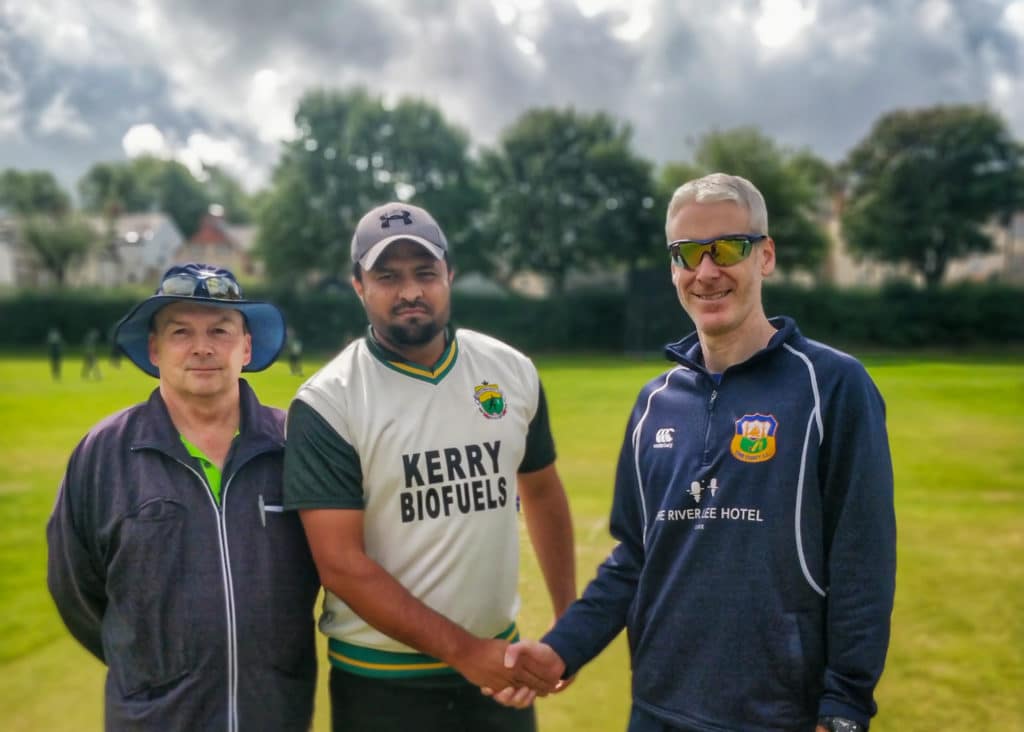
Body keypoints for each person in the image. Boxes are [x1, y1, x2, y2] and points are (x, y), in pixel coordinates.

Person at [498, 173, 897, 732]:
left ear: (766, 256)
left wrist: (846, 706)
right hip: (658, 708)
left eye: (728, 248)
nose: (706, 272)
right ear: (673, 269)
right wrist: (563, 648)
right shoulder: (655, 404)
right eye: (687, 254)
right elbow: (635, 558)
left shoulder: (832, 386)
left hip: (781, 716)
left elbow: (863, 560)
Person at [282, 202, 577, 732]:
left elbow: (543, 491)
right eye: (387, 276)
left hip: (498, 673)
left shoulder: (510, 370)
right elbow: (341, 564)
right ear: (358, 287)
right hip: (382, 686)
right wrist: (466, 652)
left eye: (425, 273)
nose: (410, 291)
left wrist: (567, 622)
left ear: (450, 276)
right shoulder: (328, 402)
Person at [46, 263, 320, 732]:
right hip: (153, 719)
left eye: (220, 329)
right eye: (180, 331)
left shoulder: (294, 445)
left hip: (276, 714)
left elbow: (332, 566)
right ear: (154, 348)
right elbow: (76, 591)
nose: (202, 347)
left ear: (246, 346)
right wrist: (149, 667)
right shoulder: (102, 455)